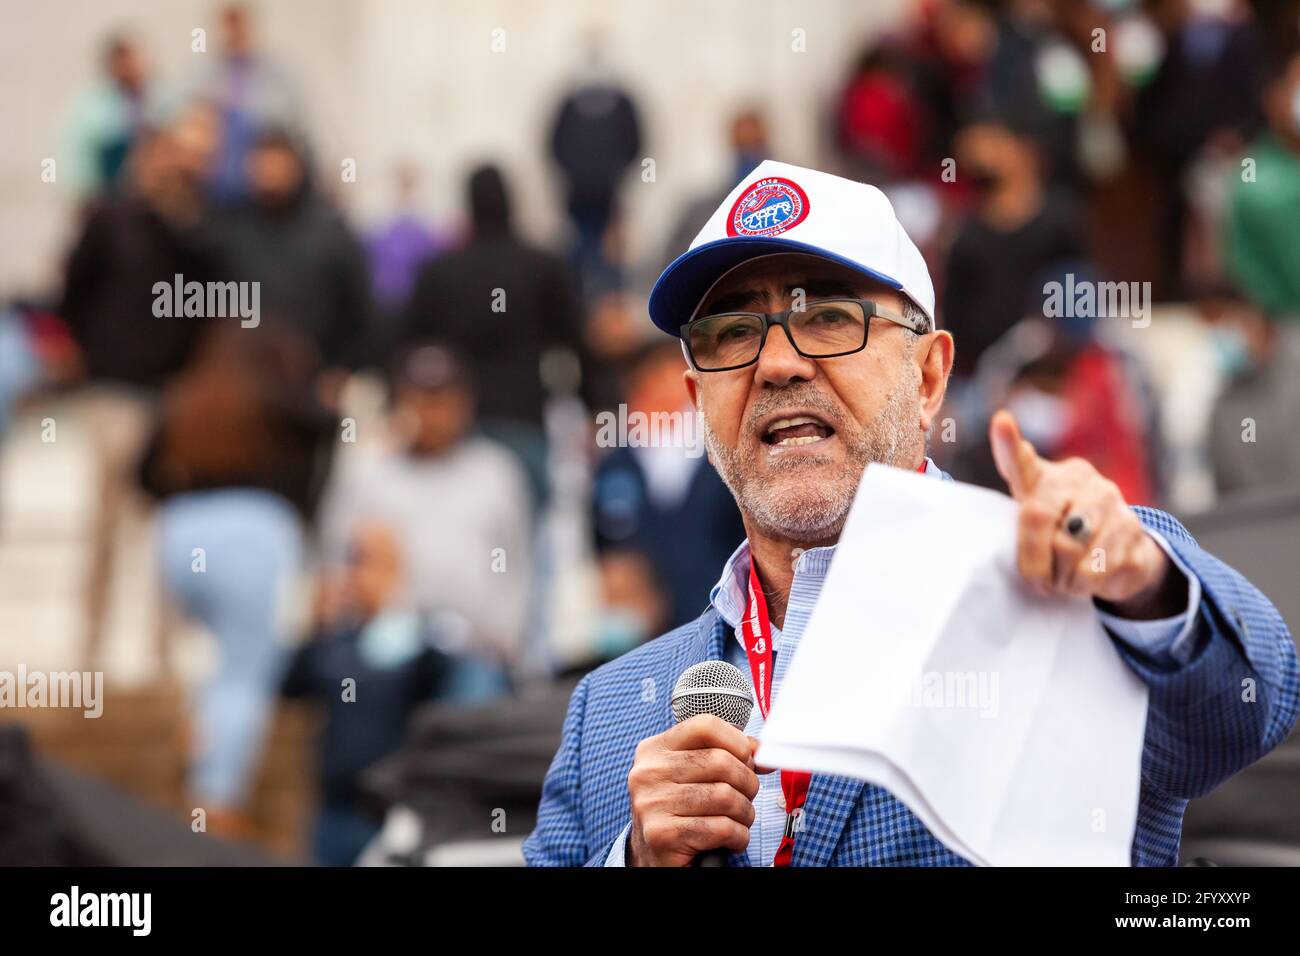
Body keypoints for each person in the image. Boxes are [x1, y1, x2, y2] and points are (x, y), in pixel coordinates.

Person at [523, 161, 1299, 867]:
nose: (777, 363)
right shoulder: (610, 713)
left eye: (828, 316)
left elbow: (1248, 707)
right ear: (699, 404)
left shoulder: (1067, 603)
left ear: (928, 378)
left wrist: (1137, 582)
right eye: (731, 333)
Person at [318, 342, 531, 700]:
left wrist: (505, 640)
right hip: (384, 642)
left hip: (473, 646)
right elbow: (335, 556)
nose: (431, 414)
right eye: (419, 399)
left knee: (473, 707)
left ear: (464, 405)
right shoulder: (368, 467)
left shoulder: (496, 470)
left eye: (442, 401)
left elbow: (519, 566)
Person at [282, 521, 450, 866]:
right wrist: (316, 623)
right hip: (334, 807)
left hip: (390, 810)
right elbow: (289, 686)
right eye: (356, 562)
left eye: (377, 563)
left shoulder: (417, 644)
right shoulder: (333, 642)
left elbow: (442, 687)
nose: (364, 575)